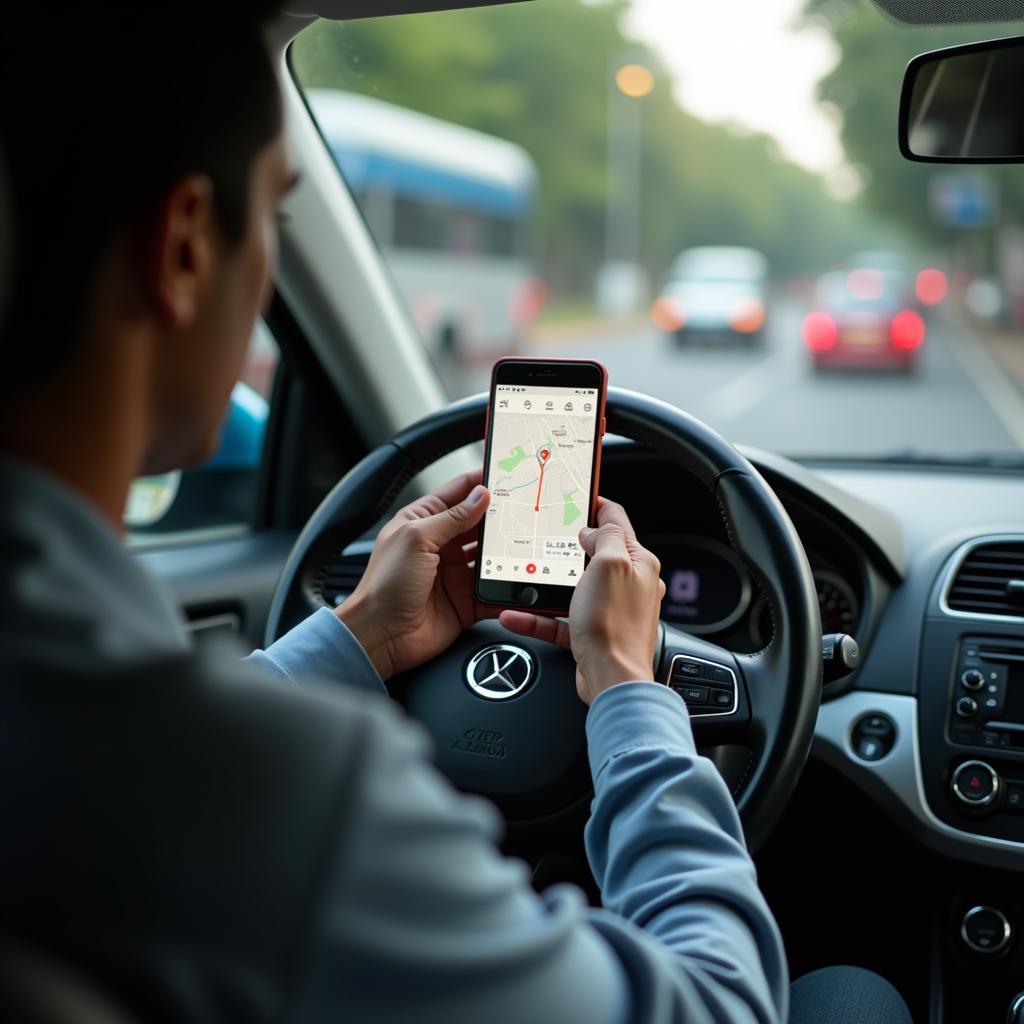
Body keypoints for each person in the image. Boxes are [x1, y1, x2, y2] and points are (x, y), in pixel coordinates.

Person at [0, 6, 911, 1023]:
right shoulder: (287, 796)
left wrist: (356, 639)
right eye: (275, 215)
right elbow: (720, 1005)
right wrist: (624, 685)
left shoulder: (104, 734)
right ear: (180, 251)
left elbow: (152, 776)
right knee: (850, 996)